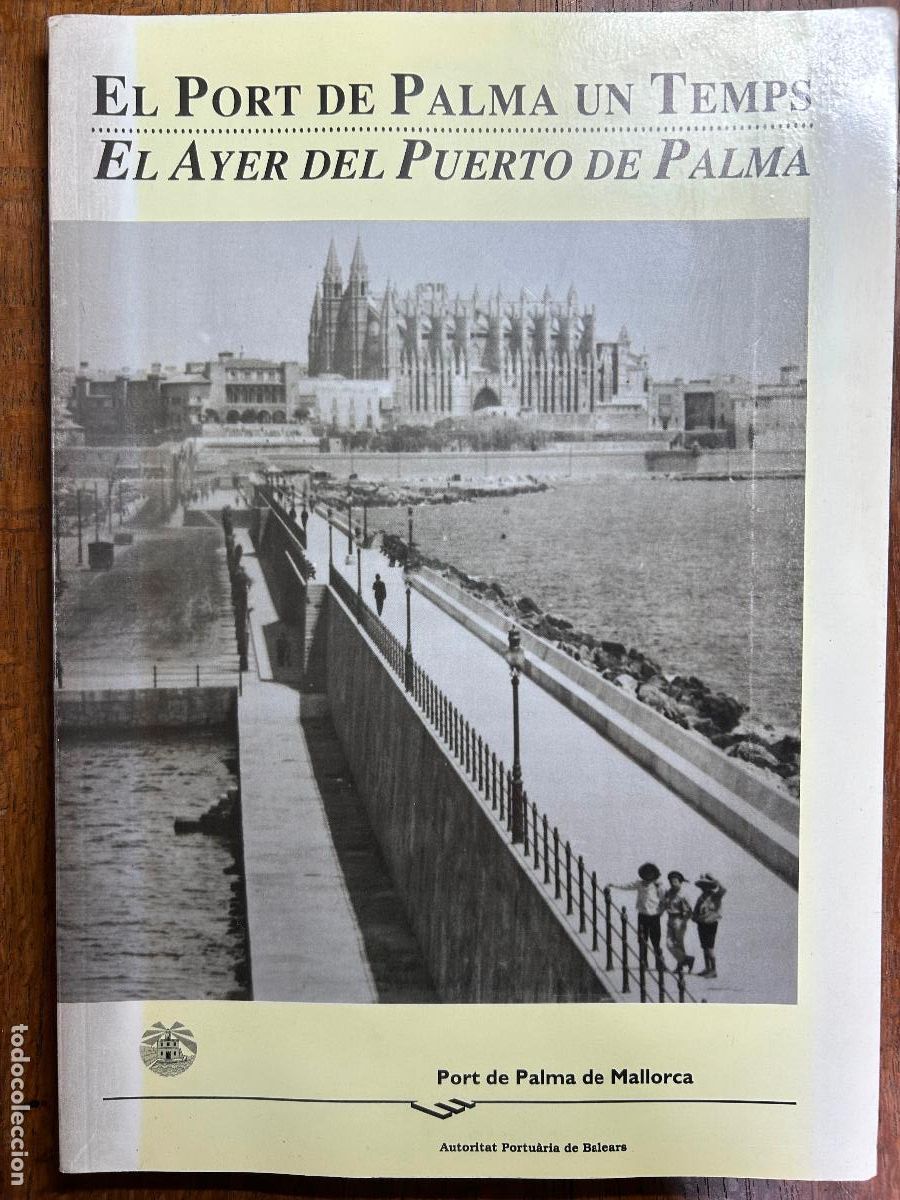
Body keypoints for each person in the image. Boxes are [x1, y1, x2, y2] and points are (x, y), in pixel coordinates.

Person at [608, 862, 664, 964]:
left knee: (656, 940)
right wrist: (614, 885)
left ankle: (659, 963)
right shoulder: (639, 884)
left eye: (650, 873)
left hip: (654, 916)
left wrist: (660, 912)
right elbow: (627, 886)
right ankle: (644, 962)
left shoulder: (657, 886)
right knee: (642, 939)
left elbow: (663, 900)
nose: (648, 875)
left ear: (654, 875)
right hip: (642, 915)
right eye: (646, 873)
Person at [692, 873, 727, 978]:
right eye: (702, 886)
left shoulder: (716, 895)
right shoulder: (701, 897)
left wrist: (714, 879)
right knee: (704, 947)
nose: (704, 888)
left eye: (706, 886)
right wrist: (694, 917)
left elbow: (724, 889)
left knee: (710, 947)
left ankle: (713, 970)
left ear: (710, 886)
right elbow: (696, 909)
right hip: (701, 923)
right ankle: (707, 967)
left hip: (711, 923)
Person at [662, 871, 694, 975]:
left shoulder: (683, 894)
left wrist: (684, 921)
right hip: (670, 919)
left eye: (675, 881)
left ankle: (680, 965)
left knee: (679, 944)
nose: (673, 883)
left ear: (680, 882)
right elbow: (664, 904)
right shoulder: (668, 892)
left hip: (679, 920)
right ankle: (687, 959)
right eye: (671, 881)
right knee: (669, 943)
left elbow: (690, 911)